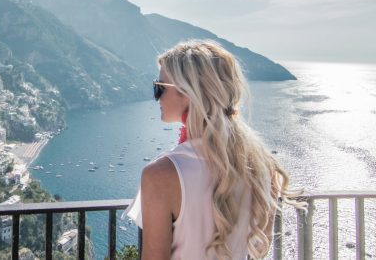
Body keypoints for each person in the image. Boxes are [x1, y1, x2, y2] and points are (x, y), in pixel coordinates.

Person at [125, 40, 302, 260]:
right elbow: (257, 250)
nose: (156, 96)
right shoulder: (262, 166)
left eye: (159, 87)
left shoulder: (162, 174)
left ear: (187, 92)